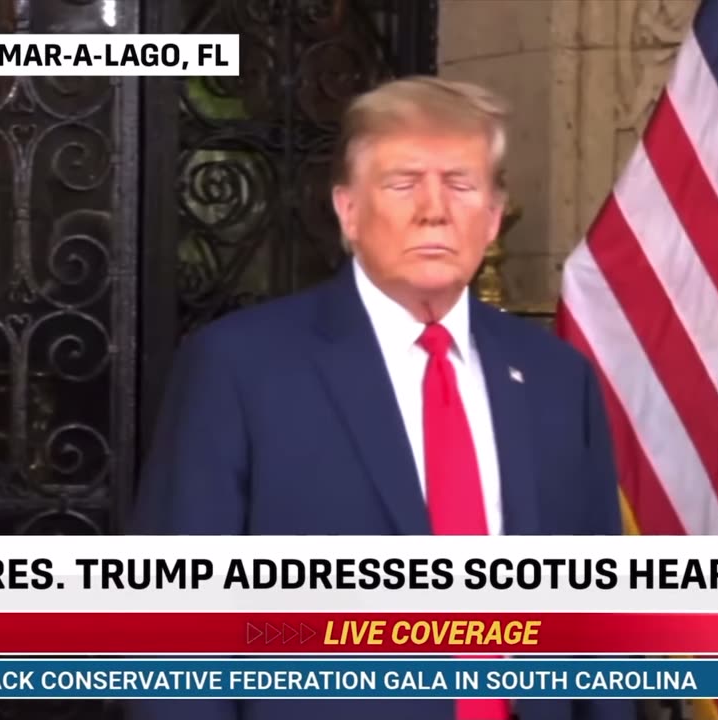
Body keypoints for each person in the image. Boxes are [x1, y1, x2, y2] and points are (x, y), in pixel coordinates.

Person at [129, 76, 634, 720]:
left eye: (460, 183)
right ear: (347, 210)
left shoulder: (558, 378)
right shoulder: (240, 368)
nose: (434, 209)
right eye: (403, 183)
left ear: (493, 213)